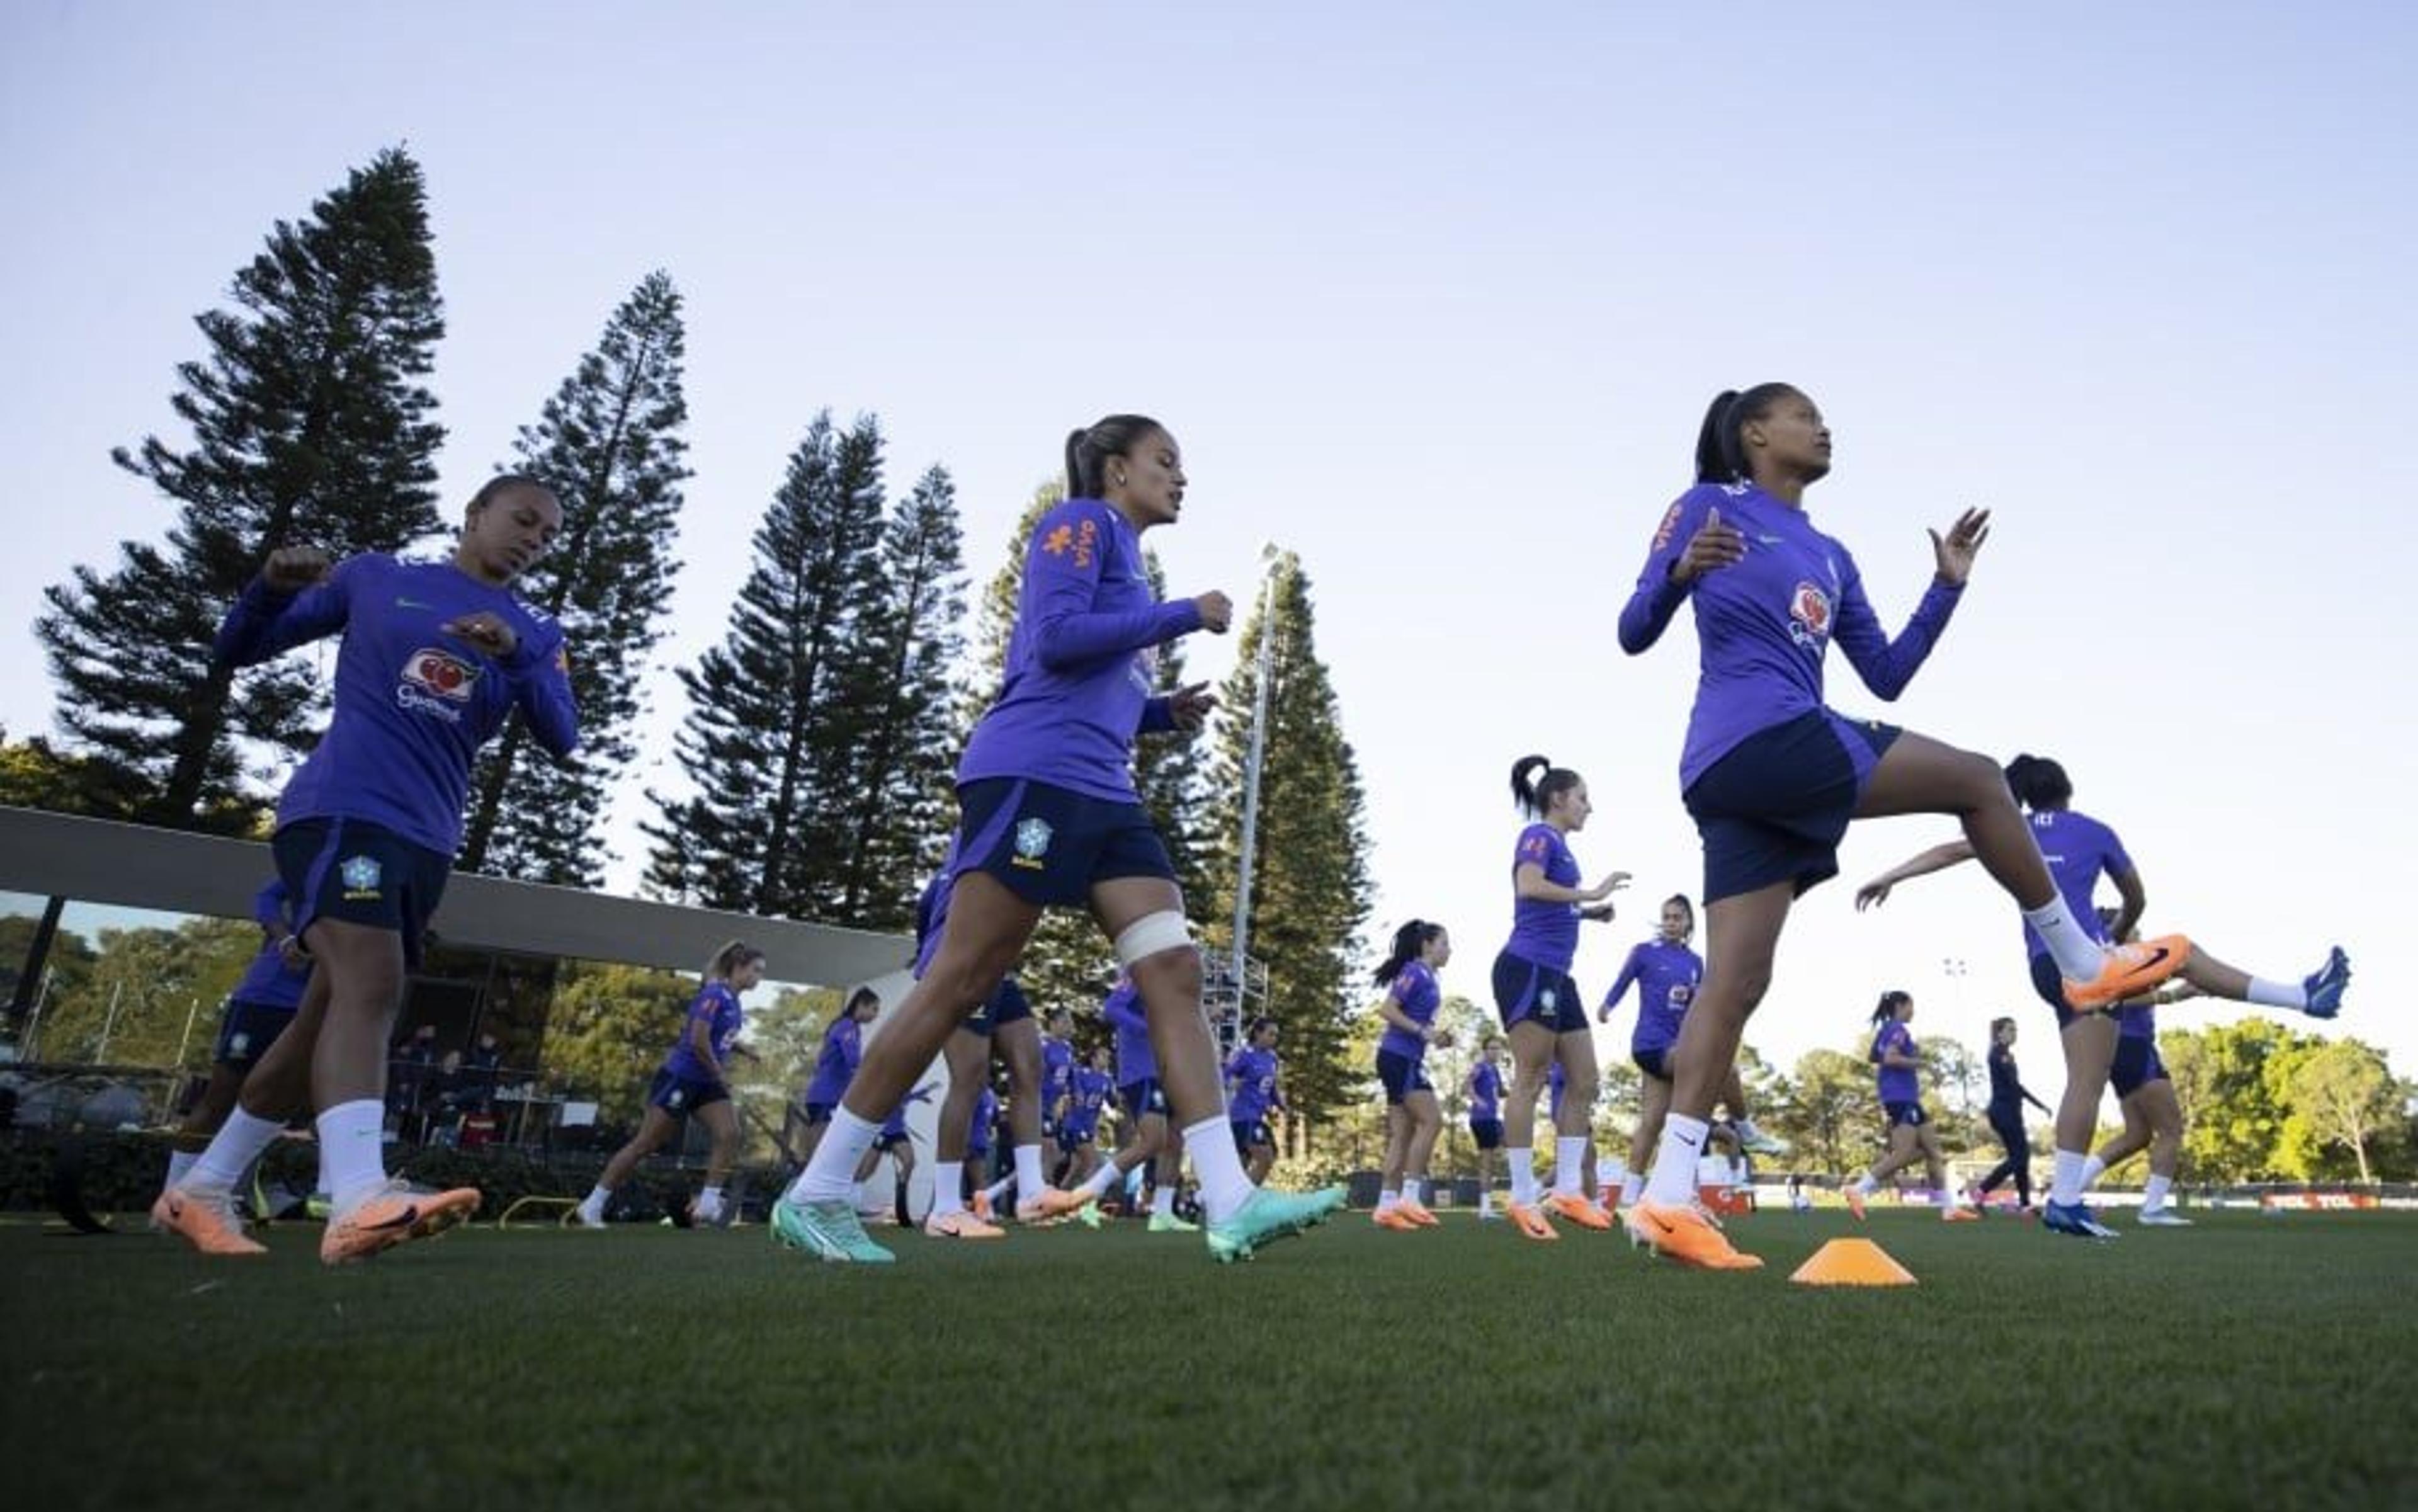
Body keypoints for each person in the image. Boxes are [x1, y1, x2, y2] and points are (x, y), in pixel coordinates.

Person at [1613, 385, 2191, 1270]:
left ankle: (1668, 1195)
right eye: (1804, 415)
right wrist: (1683, 572)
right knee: (1980, 780)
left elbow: (1884, 675)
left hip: (1755, 778)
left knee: (1735, 983)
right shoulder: (1708, 504)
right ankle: (2082, 962)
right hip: (1752, 742)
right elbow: (1632, 628)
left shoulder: (1833, 555)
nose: (1824, 426)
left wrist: (1946, 588)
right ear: (1755, 432)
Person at [770, 416, 1343, 1265]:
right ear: (1117, 470)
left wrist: (1158, 713)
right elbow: (1054, 641)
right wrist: (1182, 614)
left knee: (1176, 971)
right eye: (1166, 462)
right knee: (957, 981)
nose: (1181, 479)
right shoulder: (1080, 523)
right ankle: (817, 1191)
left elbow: (1092, 677)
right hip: (1034, 776)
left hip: (1105, 791)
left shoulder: (1125, 552)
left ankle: (1230, 1197)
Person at [157, 475, 576, 1263]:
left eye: (548, 535)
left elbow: (563, 734)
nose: (533, 539)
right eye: (522, 520)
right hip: (343, 810)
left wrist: (517, 655)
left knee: (323, 1015)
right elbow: (236, 648)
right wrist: (268, 587)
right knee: (375, 986)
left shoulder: (539, 631)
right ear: (475, 513)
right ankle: (358, 1197)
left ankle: (203, 1189)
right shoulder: (378, 577)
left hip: (426, 841)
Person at [1856, 753, 2348, 1238]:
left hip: (2046, 969)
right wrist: (2117, 927)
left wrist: (1890, 876)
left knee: (2085, 1081)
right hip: (2087, 962)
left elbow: (1948, 852)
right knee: (2181, 954)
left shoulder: (2011, 825)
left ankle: (2065, 1202)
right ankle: (2301, 996)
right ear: (2068, 789)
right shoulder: (2093, 831)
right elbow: (2137, 897)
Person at [1492, 756, 1627, 1241]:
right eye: (1583, 797)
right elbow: (1527, 886)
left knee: (1585, 1079)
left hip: (1557, 974)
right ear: (1558, 799)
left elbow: (1546, 907)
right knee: (1528, 1078)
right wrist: (1587, 893)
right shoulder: (1540, 837)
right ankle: (1523, 1196)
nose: (1589, 807)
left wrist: (1589, 912)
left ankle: (1569, 1189)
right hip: (1527, 969)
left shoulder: (1561, 847)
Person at [1598, 893, 1783, 1219]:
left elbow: (1699, 1009)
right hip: (1650, 1045)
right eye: (1666, 917)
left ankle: (1629, 1201)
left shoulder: (1697, 963)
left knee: (1653, 1122)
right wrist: (1608, 1006)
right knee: (1723, 1066)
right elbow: (1622, 982)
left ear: (1688, 924)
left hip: (1677, 1047)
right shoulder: (1644, 952)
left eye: (1677, 918)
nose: (1671, 923)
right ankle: (1746, 1128)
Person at [576, 941, 766, 1228]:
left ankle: (709, 1202)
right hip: (681, 1078)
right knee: (645, 1144)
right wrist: (719, 1071)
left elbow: (719, 1035)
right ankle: (594, 1202)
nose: (759, 977)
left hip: (706, 1082)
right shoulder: (713, 994)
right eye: (756, 970)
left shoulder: (733, 999)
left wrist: (744, 1050)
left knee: (730, 1134)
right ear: (738, 968)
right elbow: (698, 1040)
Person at [157, 878, 313, 1208]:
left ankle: (222, 1196)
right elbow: (267, 896)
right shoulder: (316, 858)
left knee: (269, 1107)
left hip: (311, 1009)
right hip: (264, 1001)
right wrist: (284, 937)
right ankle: (171, 1202)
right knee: (220, 1099)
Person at [1842, 992, 1978, 1222]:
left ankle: (1948, 1209)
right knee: (1905, 1153)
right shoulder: (1898, 1030)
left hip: (1905, 1098)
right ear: (1900, 1006)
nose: (1913, 1011)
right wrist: (1921, 1063)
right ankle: (1859, 1190)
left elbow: (1874, 1056)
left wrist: (1896, 1059)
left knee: (1933, 1151)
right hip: (1901, 1097)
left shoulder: (1887, 1029)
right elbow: (1891, 1058)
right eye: (1911, 1006)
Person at [1371, 921, 1451, 1231]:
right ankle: (1411, 1198)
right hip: (1398, 1059)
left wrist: (1435, 1037)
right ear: (1427, 945)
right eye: (1444, 943)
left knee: (1402, 1134)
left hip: (1405, 1058)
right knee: (1433, 1121)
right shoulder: (1415, 972)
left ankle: (1385, 1206)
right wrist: (1422, 1032)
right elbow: (1388, 1010)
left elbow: (1419, 1024)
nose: (1449, 949)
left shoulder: (1430, 976)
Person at [789, 988, 882, 1165]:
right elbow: (854, 1061)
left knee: (827, 1149)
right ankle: (804, 1187)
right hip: (825, 1096)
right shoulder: (846, 1026)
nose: (876, 1015)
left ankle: (810, 1184)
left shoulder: (850, 1027)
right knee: (820, 1151)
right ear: (861, 1005)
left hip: (831, 1097)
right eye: (874, 1009)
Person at [1973, 1016, 2051, 1212]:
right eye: (2010, 1030)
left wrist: (2039, 1106)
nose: (2014, 1034)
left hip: (2009, 1112)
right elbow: (2015, 1086)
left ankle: (2025, 1204)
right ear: (2000, 1033)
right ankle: (1982, 1189)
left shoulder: (2006, 1054)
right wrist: (2040, 1106)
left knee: (2020, 1158)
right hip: (2005, 1112)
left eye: (2015, 1030)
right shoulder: (1999, 1054)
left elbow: (2016, 1087)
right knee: (2020, 1156)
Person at [1225, 1017, 1286, 1185]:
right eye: (1271, 1034)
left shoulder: (1272, 1058)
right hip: (1243, 1116)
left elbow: (1271, 1086)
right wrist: (1231, 1083)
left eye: (1276, 1035)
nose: (1274, 1039)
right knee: (1265, 1157)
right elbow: (1223, 1075)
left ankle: (1229, 1201)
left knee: (1244, 1163)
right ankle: (1245, 1199)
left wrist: (1280, 1105)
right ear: (1258, 1033)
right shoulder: (1244, 1054)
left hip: (1258, 1116)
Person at [1467, 1037, 1507, 1221]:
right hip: (1482, 1119)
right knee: (1488, 1163)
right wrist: (1477, 1100)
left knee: (1499, 1156)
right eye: (1492, 1048)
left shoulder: (1495, 1070)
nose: (1496, 1052)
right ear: (1485, 1051)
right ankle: (1485, 1209)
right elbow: (1466, 1085)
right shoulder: (1480, 1067)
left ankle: (1487, 1206)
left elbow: (1501, 1092)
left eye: (1498, 1049)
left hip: (1493, 1119)